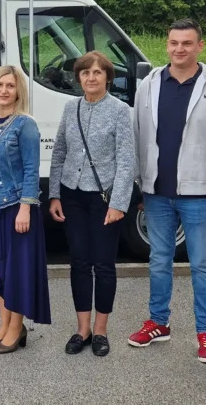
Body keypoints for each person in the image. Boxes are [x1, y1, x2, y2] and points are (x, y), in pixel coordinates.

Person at [128, 19, 206, 364]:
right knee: (159, 260)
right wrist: (140, 184)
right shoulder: (148, 85)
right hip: (157, 192)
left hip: (201, 194)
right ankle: (159, 322)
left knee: (203, 264)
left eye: (187, 43)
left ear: (200, 46)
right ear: (167, 44)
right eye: (174, 42)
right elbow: (137, 136)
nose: (179, 49)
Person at [48, 51, 136, 358]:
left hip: (104, 198)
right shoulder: (70, 108)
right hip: (73, 196)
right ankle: (82, 328)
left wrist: (120, 204)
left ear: (108, 78)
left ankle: (101, 330)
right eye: (85, 73)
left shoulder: (120, 111)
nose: (91, 78)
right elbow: (59, 153)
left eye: (98, 73)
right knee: (80, 262)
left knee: (104, 264)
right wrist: (55, 195)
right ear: (79, 77)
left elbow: (126, 161)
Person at [0, 65, 50, 354]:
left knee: (14, 270)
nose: (4, 90)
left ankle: (16, 329)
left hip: (15, 206)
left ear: (18, 91)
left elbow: (32, 170)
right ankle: (4, 324)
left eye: (10, 85)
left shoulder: (25, 125)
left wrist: (25, 209)